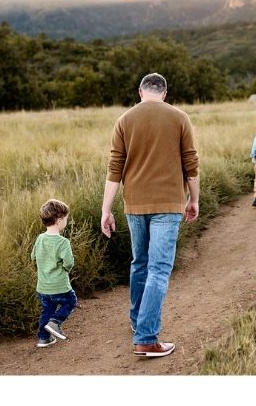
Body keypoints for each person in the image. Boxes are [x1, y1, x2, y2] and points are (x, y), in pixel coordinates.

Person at [101, 71, 200, 361]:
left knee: (140, 263)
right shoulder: (179, 117)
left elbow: (115, 168)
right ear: (165, 93)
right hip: (169, 203)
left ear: (141, 92)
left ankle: (138, 320)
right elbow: (191, 164)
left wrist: (106, 209)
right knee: (158, 269)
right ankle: (146, 338)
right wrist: (194, 199)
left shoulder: (124, 120)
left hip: (135, 204)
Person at [32, 200, 77, 347]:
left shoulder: (40, 238)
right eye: (66, 219)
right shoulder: (63, 242)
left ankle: (44, 338)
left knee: (47, 310)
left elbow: (33, 257)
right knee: (71, 301)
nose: (66, 222)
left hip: (43, 287)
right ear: (58, 221)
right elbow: (69, 263)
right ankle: (55, 322)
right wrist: (65, 269)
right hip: (59, 285)